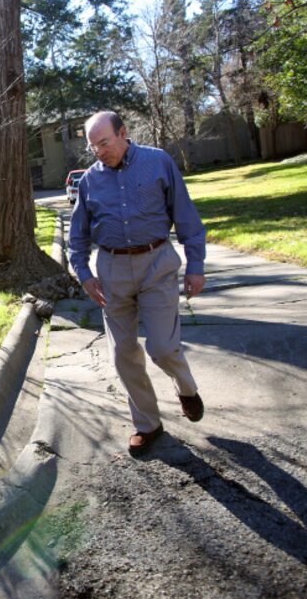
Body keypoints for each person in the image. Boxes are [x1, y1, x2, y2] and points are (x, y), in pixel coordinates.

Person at [68, 111, 206, 457]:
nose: (99, 151)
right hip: (112, 270)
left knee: (162, 347)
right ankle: (148, 425)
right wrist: (84, 275)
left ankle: (186, 388)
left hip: (156, 263)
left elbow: (186, 215)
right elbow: (77, 237)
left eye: (104, 142)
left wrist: (196, 265)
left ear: (123, 133)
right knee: (122, 353)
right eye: (92, 146)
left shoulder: (157, 162)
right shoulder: (89, 182)